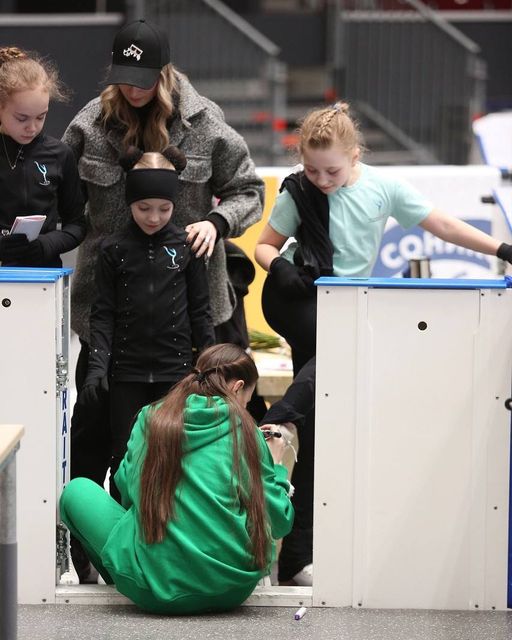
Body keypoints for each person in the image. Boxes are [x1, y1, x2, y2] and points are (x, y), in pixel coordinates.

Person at [254, 100, 512, 586]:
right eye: (311, 170)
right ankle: (280, 419)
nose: (320, 180)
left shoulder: (383, 188)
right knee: (336, 356)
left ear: (355, 156)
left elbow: (442, 225)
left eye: (331, 171)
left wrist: (502, 248)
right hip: (298, 297)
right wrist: (280, 266)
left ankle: (294, 556)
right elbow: (265, 245)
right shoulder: (298, 191)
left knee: (320, 426)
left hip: (344, 303)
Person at [62, 18, 264, 567]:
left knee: (201, 438)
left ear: (165, 72)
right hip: (108, 313)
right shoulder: (88, 126)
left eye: (144, 78)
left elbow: (249, 190)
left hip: (194, 309)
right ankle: (88, 557)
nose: (133, 88)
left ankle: (193, 547)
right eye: (124, 77)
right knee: (96, 433)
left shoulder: (206, 124)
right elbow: (59, 196)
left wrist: (217, 222)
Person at [60, 343, 294, 614]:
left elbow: (127, 490)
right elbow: (279, 521)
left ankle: (125, 578)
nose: (245, 407)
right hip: (232, 590)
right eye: (247, 399)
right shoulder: (248, 432)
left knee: (77, 491)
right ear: (237, 387)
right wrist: (276, 465)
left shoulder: (152, 418)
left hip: (156, 592)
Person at [76, 145, 215, 503]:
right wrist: (97, 368)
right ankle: (123, 528)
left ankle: (168, 531)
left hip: (175, 373)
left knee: (175, 458)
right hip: (127, 374)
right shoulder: (113, 249)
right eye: (144, 208)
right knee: (125, 456)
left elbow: (201, 311)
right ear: (129, 202)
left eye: (164, 209)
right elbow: (103, 313)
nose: (154, 218)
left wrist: (211, 367)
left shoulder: (186, 247)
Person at [0, 46, 85, 266]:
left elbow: (77, 225)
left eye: (41, 117)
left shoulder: (60, 155)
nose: (32, 127)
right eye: (22, 118)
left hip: (44, 275)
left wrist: (46, 244)